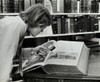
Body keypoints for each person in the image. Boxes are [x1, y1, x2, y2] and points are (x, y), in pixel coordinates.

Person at [0, 4, 52, 82]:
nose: (42, 31)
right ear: (36, 21)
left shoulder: (18, 24)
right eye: (42, 28)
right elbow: (4, 56)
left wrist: (33, 50)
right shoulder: (17, 25)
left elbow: (9, 50)